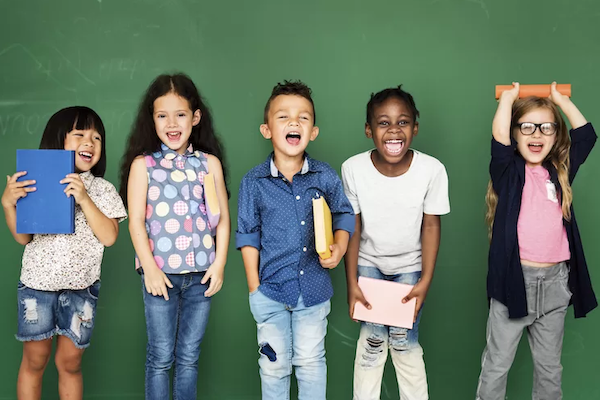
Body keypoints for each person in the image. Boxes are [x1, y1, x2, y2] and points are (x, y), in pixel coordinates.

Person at [476, 82, 597, 400]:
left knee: (549, 370)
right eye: (527, 127)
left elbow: (586, 136)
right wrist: (507, 99)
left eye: (546, 128)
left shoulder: (560, 172)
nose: (537, 134)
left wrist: (560, 100)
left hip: (555, 285)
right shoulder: (508, 172)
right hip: (515, 283)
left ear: (557, 135)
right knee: (497, 366)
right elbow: (498, 138)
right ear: (515, 134)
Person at [236, 80, 355, 400]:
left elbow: (344, 215)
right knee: (273, 366)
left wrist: (340, 248)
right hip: (269, 292)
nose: (293, 122)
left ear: (313, 131)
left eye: (303, 117)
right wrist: (253, 287)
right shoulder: (253, 181)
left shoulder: (325, 176)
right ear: (266, 130)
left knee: (311, 362)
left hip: (314, 290)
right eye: (283, 117)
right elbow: (247, 234)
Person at [2, 106, 126, 399]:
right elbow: (23, 238)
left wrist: (84, 198)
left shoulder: (103, 189)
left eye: (97, 138)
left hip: (81, 289)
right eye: (79, 134)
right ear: (58, 141)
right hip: (37, 287)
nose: (90, 143)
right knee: (35, 360)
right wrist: (9, 204)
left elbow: (109, 237)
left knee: (70, 363)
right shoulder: (37, 184)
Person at [119, 73, 230, 400]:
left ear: (195, 117)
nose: (172, 123)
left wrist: (219, 264)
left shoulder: (209, 164)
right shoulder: (144, 165)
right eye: (162, 115)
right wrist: (150, 270)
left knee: (188, 357)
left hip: (201, 276)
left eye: (180, 114)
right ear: (151, 120)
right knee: (160, 357)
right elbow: (135, 222)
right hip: (161, 277)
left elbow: (221, 220)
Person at [342, 85, 450, 400]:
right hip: (369, 264)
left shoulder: (431, 170)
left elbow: (431, 224)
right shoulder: (353, 169)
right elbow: (354, 227)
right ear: (368, 130)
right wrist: (352, 281)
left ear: (415, 128)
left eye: (402, 122)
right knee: (373, 340)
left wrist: (425, 280)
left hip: (410, 266)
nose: (394, 130)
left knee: (404, 341)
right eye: (383, 122)